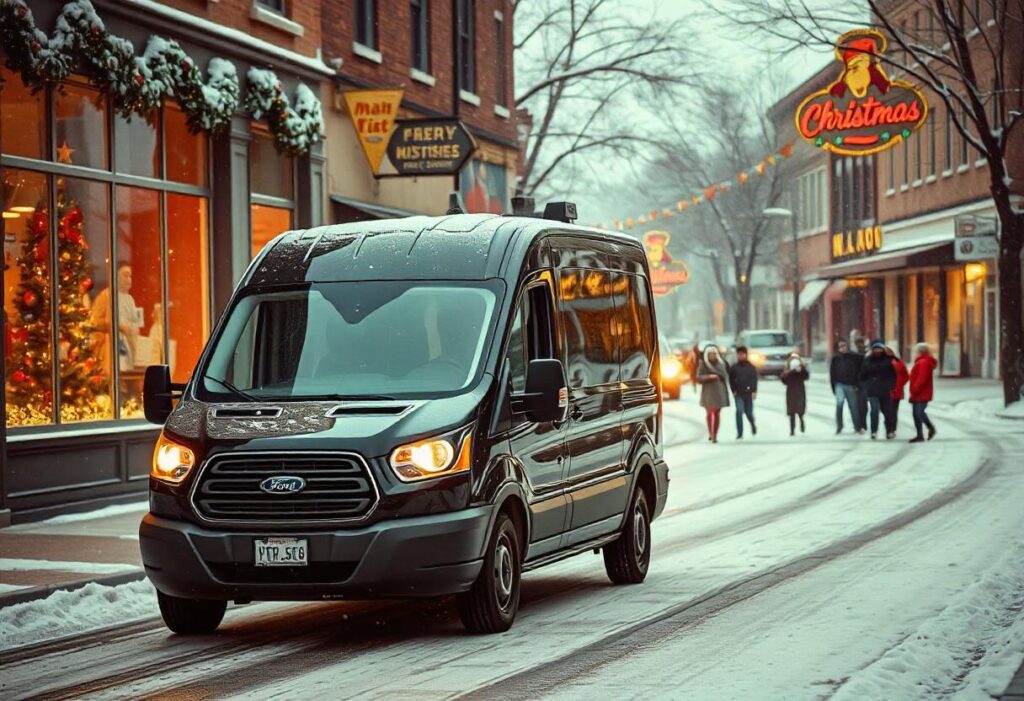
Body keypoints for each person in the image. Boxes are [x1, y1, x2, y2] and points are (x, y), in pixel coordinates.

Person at [90, 263, 142, 374]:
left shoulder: (130, 299)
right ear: (116, 276)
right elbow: (94, 322)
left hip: (128, 346)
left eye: (130, 276)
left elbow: (135, 321)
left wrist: (133, 328)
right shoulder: (106, 295)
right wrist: (115, 326)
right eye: (125, 275)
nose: (128, 279)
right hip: (110, 348)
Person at [859, 339, 897, 439]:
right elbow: (862, 375)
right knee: (874, 411)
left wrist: (891, 385)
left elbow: (893, 375)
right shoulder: (867, 361)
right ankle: (874, 431)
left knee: (887, 411)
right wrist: (865, 385)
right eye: (875, 349)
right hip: (872, 390)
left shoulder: (888, 360)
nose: (877, 351)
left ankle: (889, 431)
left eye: (879, 349)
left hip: (884, 389)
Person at [697, 345, 730, 443]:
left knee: (717, 414)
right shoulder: (703, 364)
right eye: (711, 354)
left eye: (715, 354)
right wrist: (710, 377)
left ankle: (715, 434)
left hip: (719, 392)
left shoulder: (721, 364)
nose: (713, 356)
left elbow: (725, 376)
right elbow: (699, 378)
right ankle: (710, 433)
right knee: (709, 413)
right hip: (708, 393)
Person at [829, 340, 863, 434]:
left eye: (844, 345)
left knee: (853, 406)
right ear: (838, 348)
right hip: (839, 384)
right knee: (839, 404)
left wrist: (857, 384)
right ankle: (839, 426)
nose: (843, 348)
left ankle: (857, 426)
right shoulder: (835, 359)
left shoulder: (853, 357)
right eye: (841, 346)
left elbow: (861, 366)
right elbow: (832, 374)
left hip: (851, 384)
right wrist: (833, 387)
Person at [908, 342, 938, 442]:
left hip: (921, 392)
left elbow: (922, 378)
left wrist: (915, 389)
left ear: (920, 352)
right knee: (916, 413)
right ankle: (919, 434)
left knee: (919, 413)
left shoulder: (923, 362)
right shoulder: (921, 361)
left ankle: (930, 428)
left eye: (916, 351)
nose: (915, 353)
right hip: (919, 392)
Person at [728, 345, 758, 439]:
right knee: (739, 411)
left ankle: (752, 424)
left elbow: (754, 380)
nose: (741, 356)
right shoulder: (734, 368)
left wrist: (754, 391)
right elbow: (731, 380)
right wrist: (733, 390)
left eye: (742, 354)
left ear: (746, 355)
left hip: (748, 393)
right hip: (739, 393)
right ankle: (740, 433)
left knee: (749, 413)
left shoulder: (751, 367)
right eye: (739, 354)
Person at [781, 353, 809, 436]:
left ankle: (801, 421)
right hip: (791, 392)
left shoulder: (802, 369)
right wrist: (789, 372)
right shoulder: (787, 369)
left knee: (800, 410)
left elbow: (806, 376)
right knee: (791, 412)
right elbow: (783, 380)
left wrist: (801, 369)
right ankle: (792, 430)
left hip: (800, 391)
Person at [885, 346, 910, 437]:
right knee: (888, 411)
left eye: (889, 351)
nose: (887, 353)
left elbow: (906, 376)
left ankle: (892, 429)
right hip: (885, 391)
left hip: (895, 391)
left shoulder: (898, 362)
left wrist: (899, 383)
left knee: (893, 411)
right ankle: (890, 429)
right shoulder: (882, 361)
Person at [853, 336, 869, 430]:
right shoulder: (855, 355)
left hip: (864, 381)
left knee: (862, 404)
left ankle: (862, 423)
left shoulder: (867, 355)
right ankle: (860, 423)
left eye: (861, 343)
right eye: (858, 344)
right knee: (860, 404)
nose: (859, 345)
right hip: (858, 381)